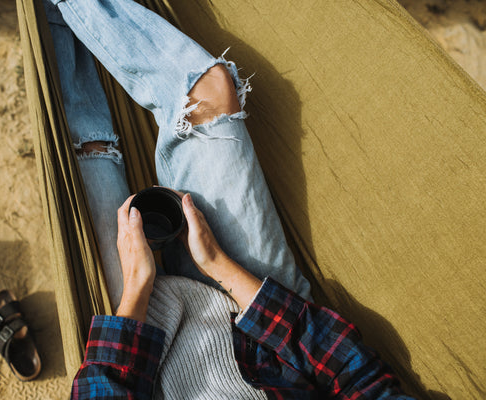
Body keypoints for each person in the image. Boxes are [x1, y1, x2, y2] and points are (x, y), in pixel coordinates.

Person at [43, 0, 415, 398]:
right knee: (208, 92)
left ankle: (46, 14)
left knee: (86, 151)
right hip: (262, 332)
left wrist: (137, 287)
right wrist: (219, 266)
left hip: (144, 358)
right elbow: (360, 376)